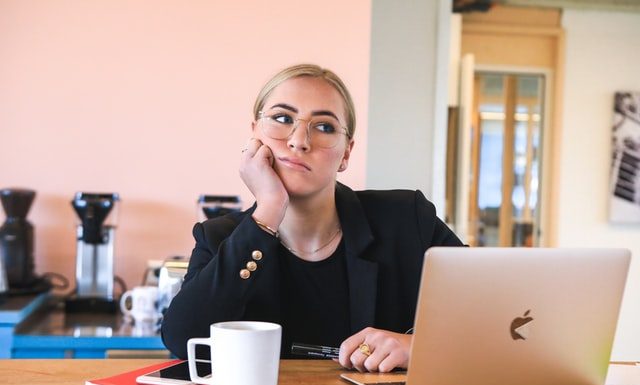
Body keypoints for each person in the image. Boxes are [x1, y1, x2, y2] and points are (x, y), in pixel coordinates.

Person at [161, 64, 463, 373]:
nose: (298, 140)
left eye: (324, 127)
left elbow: (498, 317)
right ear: (254, 135)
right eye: (282, 119)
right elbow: (183, 340)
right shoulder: (219, 237)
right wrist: (268, 210)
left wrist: (417, 346)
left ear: (346, 153)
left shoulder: (407, 219)